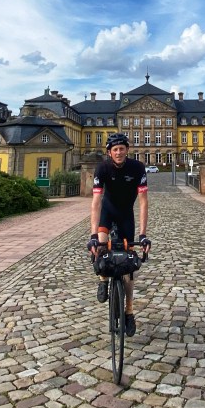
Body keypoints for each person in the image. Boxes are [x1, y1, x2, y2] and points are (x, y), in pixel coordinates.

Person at [87, 132, 150, 336]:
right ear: (109, 152)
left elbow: (143, 201)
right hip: (107, 213)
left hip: (126, 216)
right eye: (115, 149)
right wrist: (93, 236)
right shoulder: (102, 168)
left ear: (127, 150)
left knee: (128, 268)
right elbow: (96, 202)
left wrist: (142, 235)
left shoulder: (137, 167)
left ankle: (129, 312)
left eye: (122, 148)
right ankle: (103, 280)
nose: (119, 152)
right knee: (101, 246)